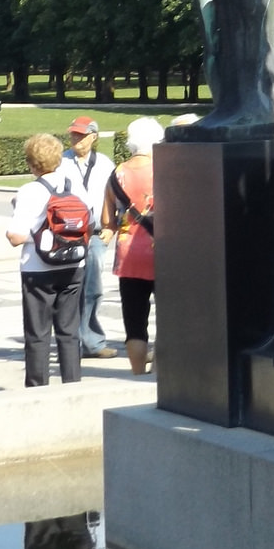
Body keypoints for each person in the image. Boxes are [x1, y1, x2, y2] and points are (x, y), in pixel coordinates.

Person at [9, 134, 85, 387]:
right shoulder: (74, 183)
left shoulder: (29, 191)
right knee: (69, 332)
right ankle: (73, 384)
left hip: (38, 268)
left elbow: (16, 237)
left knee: (38, 334)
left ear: (32, 164)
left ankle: (38, 388)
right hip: (74, 264)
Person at [60, 118, 119, 359]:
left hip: (95, 233)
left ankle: (92, 341)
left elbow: (116, 196)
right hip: (66, 234)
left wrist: (112, 226)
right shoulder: (61, 161)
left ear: (94, 137)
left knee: (92, 287)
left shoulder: (105, 165)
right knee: (68, 288)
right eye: (73, 135)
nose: (76, 140)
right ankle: (70, 339)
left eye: (81, 136)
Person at [106, 118, 161, 376]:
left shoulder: (117, 173)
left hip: (129, 255)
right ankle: (162, 369)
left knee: (135, 321)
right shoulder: (166, 169)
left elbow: (107, 220)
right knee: (168, 318)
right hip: (164, 252)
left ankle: (138, 372)